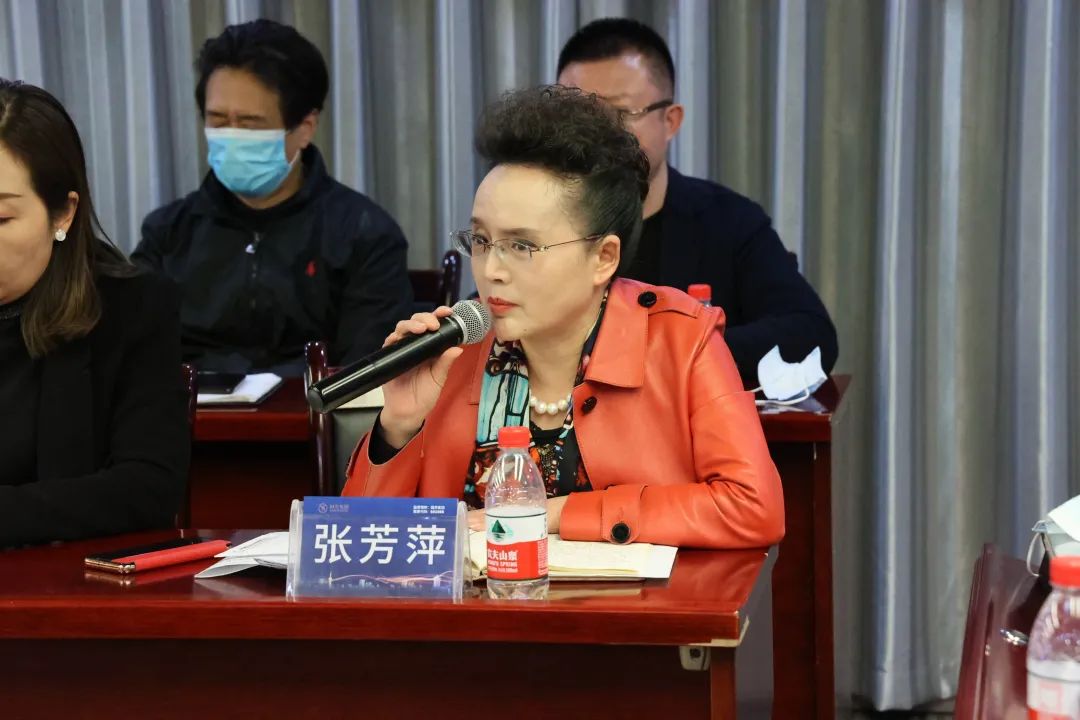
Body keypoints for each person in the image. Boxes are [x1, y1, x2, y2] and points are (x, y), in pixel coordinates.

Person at [342, 86, 783, 549]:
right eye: (482, 241)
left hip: (639, 598)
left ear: (603, 258)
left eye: (521, 246)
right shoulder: (457, 350)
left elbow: (753, 507)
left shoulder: (682, 338)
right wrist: (399, 426)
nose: (491, 271)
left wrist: (558, 513)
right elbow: (361, 546)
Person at [557, 18, 838, 386]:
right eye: (576, 116)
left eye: (619, 114)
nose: (594, 135)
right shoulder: (538, 222)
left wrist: (674, 353)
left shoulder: (727, 221)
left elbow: (810, 334)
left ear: (671, 121)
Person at [134, 19, 412, 376]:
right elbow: (132, 354)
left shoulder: (364, 236)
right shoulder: (167, 233)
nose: (232, 136)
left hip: (313, 411)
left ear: (305, 128)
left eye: (250, 123)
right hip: (188, 411)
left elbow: (367, 372)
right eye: (218, 120)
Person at [0, 80, 188, 548]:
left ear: (63, 213)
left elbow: (148, 487)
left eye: (1, 219)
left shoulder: (132, 308)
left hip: (68, 578)